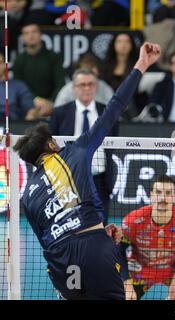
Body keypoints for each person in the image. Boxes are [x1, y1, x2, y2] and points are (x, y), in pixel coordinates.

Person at [13, 42, 161, 300]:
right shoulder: (75, 150)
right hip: (93, 248)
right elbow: (115, 106)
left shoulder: (27, 195)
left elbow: (45, 242)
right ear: (50, 144)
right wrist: (141, 66)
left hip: (60, 261)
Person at [49, 68, 118, 223]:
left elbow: (113, 144)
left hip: (99, 179)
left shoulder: (107, 113)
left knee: (100, 225)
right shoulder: (60, 113)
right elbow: (50, 146)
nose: (86, 88)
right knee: (68, 225)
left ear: (96, 87)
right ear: (74, 88)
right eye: (82, 85)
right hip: (68, 178)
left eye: (90, 84)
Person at [121, 175, 175, 300]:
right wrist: (127, 287)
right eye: (158, 192)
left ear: (174, 197)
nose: (163, 198)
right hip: (140, 270)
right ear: (151, 195)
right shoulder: (132, 221)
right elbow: (118, 253)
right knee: (116, 294)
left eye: (168, 193)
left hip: (173, 270)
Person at [13, 23, 65, 117]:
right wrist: (34, 100)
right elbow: (18, 87)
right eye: (26, 33)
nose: (31, 36)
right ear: (23, 38)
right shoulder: (19, 60)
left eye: (34, 32)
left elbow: (60, 83)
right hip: (28, 105)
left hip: (52, 104)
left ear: (41, 35)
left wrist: (50, 102)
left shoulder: (53, 57)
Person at [101, 32, 146, 120]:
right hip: (108, 106)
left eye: (127, 42)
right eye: (119, 41)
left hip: (134, 107)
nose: (123, 45)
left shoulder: (140, 65)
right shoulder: (105, 66)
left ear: (132, 45)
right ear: (113, 45)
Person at [0, 51, 38, 120]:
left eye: (0, 63)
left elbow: (31, 109)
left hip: (13, 126)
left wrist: (29, 119)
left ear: (4, 65)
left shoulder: (18, 86)